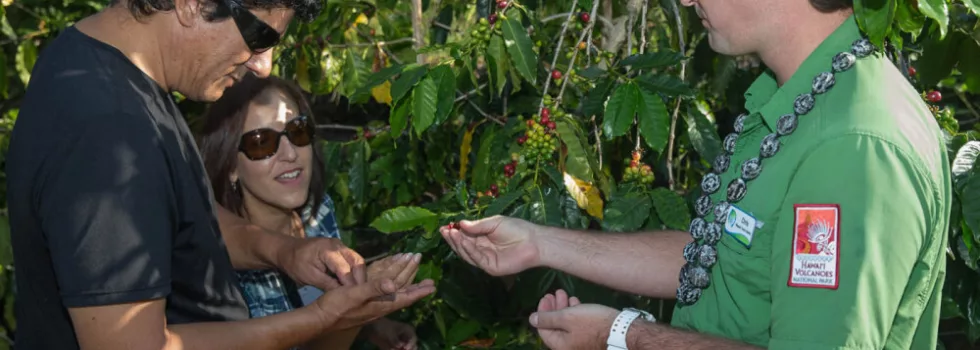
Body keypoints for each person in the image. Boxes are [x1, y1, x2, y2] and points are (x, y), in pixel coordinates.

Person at [440, 0, 951, 349]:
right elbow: (723, 258)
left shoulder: (852, 147)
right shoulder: (798, 98)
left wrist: (626, 336)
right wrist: (540, 244)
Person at [4, 0, 435, 348]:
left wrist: (283, 252)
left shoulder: (101, 62)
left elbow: (178, 216)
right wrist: (322, 317)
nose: (263, 66)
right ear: (191, 4)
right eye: (259, 37)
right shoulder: (109, 135)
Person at [196, 73, 418, 350]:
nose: (290, 153)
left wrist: (375, 326)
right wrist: (359, 307)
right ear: (230, 166)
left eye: (297, 131)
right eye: (262, 142)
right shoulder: (219, 267)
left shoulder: (318, 214)